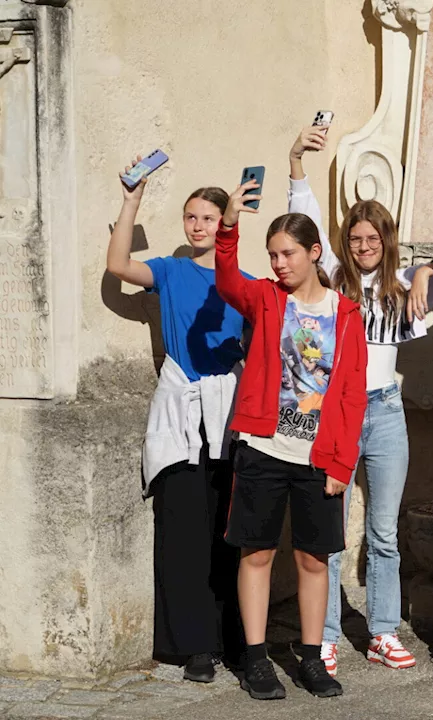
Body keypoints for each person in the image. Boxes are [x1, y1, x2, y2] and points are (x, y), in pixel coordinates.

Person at [286, 124, 433, 676]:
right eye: (356, 239)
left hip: (387, 411)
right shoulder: (332, 283)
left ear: (386, 241)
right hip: (335, 415)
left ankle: (382, 632)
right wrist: (296, 162)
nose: (364, 247)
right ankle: (321, 635)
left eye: (373, 239)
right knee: (329, 529)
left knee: (383, 531)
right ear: (345, 244)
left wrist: (429, 267)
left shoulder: (400, 285)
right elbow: (305, 222)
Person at [215, 180, 368, 699]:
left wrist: (341, 465)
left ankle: (311, 659)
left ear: (314, 252)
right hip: (262, 447)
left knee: (313, 558)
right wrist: (230, 227)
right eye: (273, 254)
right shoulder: (263, 297)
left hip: (318, 457)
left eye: (288, 254)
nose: (279, 263)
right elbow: (228, 281)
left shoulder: (346, 315)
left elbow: (350, 396)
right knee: (255, 553)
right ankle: (256, 659)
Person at [107, 158, 246, 683]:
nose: (197, 225)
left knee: (224, 533)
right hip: (181, 413)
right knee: (183, 532)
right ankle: (194, 648)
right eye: (191, 216)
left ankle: (230, 637)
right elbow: (119, 266)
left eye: (208, 218)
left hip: (226, 417)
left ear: (223, 223)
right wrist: (131, 200)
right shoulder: (169, 269)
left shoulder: (243, 283)